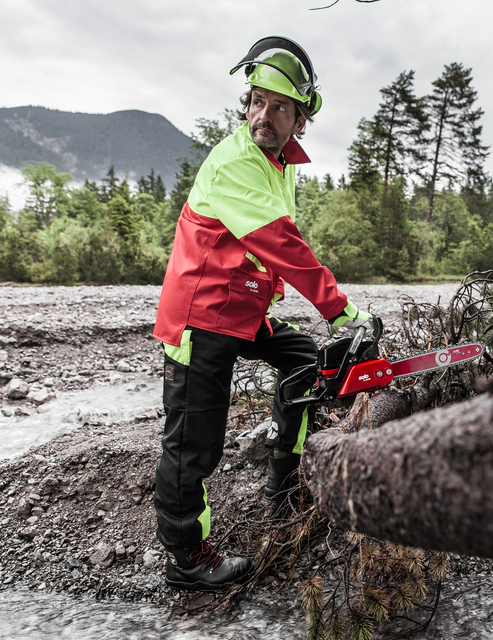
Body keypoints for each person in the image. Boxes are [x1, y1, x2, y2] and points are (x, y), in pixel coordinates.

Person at [151, 36, 377, 591]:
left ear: (300, 118)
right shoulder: (235, 162)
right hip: (201, 314)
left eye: (279, 107)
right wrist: (342, 312)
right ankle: (186, 558)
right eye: (256, 101)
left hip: (242, 310)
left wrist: (327, 320)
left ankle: (284, 476)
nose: (263, 115)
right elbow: (282, 242)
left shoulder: (281, 164)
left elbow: (268, 247)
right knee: (193, 441)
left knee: (305, 360)